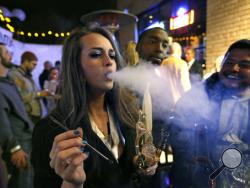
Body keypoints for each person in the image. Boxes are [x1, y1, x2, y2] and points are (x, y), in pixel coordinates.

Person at [31, 26, 158, 188]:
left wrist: (141, 164)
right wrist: (72, 183)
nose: (109, 61)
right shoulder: (50, 129)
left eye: (112, 56)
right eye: (96, 54)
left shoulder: (128, 114)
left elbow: (127, 168)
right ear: (76, 65)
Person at [172, 39, 250, 187]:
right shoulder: (201, 94)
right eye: (229, 62)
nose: (234, 68)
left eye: (244, 65)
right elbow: (178, 131)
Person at [135, 27, 173, 188]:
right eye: (152, 41)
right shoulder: (122, 83)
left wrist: (154, 154)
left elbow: (163, 126)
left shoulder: (163, 84)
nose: (159, 49)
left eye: (164, 45)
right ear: (138, 47)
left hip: (154, 168)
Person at [0, 43, 34, 188]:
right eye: (6, 52)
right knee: (21, 183)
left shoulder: (7, 81)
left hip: (26, 139)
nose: (10, 55)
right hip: (18, 143)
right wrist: (14, 148)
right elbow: (1, 120)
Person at [8, 51, 51, 124]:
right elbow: (21, 97)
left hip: (35, 115)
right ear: (25, 62)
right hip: (27, 116)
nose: (35, 67)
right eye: (33, 64)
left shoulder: (27, 76)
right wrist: (39, 94)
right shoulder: (15, 75)